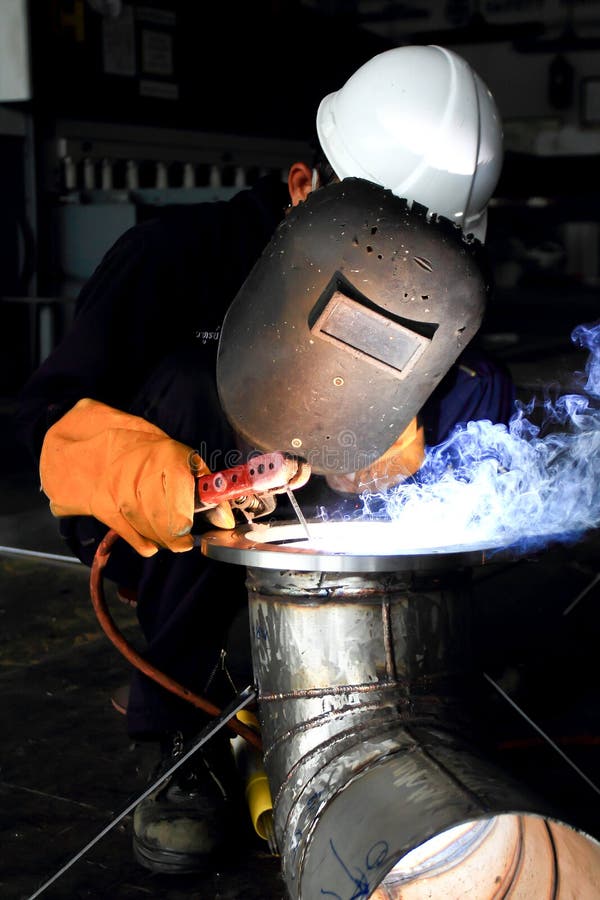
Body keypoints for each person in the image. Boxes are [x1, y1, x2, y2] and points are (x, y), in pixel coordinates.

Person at [16, 44, 515, 875]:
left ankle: (404, 678)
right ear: (301, 188)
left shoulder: (432, 278)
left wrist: (401, 432)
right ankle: (173, 734)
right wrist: (132, 465)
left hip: (335, 529)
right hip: (178, 528)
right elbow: (34, 419)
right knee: (190, 379)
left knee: (481, 389)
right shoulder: (172, 258)